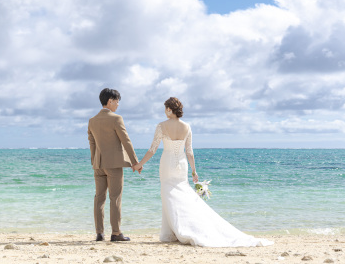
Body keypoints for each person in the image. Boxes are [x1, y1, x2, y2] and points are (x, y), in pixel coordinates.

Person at [133, 97, 273, 247]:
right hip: (182, 164)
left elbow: (152, 149)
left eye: (165, 109)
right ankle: (174, 231)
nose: (164, 112)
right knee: (183, 194)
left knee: (168, 195)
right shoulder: (187, 127)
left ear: (169, 109)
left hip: (167, 164)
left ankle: (174, 232)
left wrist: (140, 164)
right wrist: (194, 171)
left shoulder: (161, 126)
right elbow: (189, 152)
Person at [88, 88, 140, 242]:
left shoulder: (92, 120)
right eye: (117, 101)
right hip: (114, 164)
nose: (118, 105)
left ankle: (99, 233)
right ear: (110, 101)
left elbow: (92, 144)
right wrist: (135, 162)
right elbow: (126, 140)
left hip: (98, 164)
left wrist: (94, 162)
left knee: (99, 198)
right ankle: (116, 233)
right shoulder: (116, 119)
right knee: (115, 198)